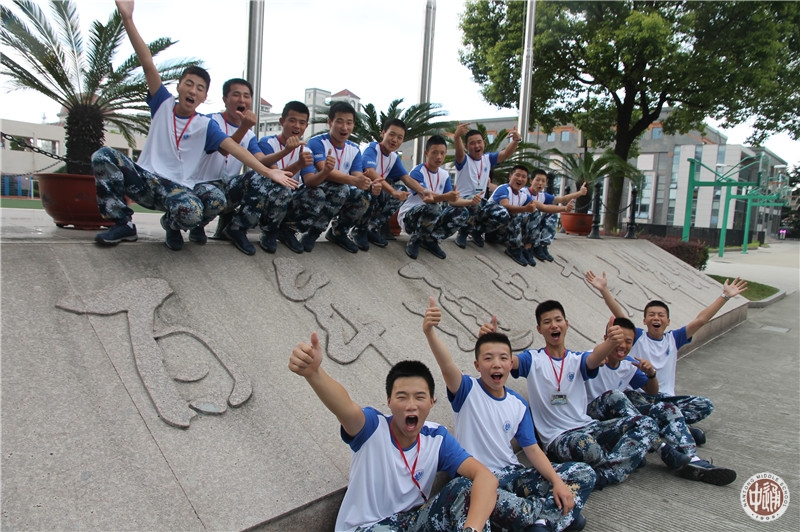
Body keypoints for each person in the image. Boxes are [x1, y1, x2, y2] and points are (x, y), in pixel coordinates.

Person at [93, 1, 295, 251]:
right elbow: (147, 63)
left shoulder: (204, 124)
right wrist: (128, 20)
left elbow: (234, 147)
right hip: (146, 179)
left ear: (204, 96)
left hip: (177, 188)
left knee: (195, 211)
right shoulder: (162, 104)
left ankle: (172, 224)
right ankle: (122, 223)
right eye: (188, 84)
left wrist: (268, 172)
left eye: (199, 88)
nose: (193, 91)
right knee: (103, 155)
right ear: (179, 86)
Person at [289, 332, 498, 532]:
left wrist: (472, 529)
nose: (411, 405)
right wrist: (315, 374)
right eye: (402, 397)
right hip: (365, 528)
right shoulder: (371, 428)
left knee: (465, 489)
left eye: (419, 397)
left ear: (431, 402)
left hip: (410, 523)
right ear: (389, 401)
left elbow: (485, 477)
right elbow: (345, 407)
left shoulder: (437, 438)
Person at [424, 298, 595, 532]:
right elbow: (446, 366)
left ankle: (543, 522)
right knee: (504, 505)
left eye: (503, 358)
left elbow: (533, 450)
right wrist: (430, 332)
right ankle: (551, 518)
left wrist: (557, 482)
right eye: (488, 358)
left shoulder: (518, 404)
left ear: (510, 363)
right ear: (477, 365)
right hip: (482, 481)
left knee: (583, 473)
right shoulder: (466, 390)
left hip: (514, 474)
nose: (497, 364)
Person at [480, 301, 659, 490]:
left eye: (558, 320)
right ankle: (620, 460)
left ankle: (606, 473)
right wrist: (492, 346)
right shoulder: (533, 359)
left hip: (588, 427)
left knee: (646, 424)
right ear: (539, 329)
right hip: (559, 438)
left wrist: (611, 343)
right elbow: (509, 361)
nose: (554, 325)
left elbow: (594, 359)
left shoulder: (577, 359)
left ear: (566, 324)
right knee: (589, 447)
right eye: (547, 322)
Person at [584, 271, 748, 463]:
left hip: (664, 398)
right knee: (638, 403)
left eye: (661, 315)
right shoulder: (636, 337)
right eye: (651, 315)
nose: (656, 318)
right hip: (638, 397)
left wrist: (725, 296)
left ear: (668, 321)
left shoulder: (674, 339)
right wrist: (604, 290)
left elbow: (701, 320)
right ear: (644, 321)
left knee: (704, 405)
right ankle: (674, 430)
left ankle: (673, 428)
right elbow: (620, 316)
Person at [584, 317, 737, 486]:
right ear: (607, 339)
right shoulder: (590, 359)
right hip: (591, 419)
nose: (623, 346)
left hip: (619, 420)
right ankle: (662, 447)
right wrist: (596, 357)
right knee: (614, 395)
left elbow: (653, 392)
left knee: (665, 408)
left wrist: (651, 374)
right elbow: (578, 361)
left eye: (628, 342)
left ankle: (692, 458)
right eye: (618, 340)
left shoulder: (629, 364)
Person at [193, 78, 295, 255]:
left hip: (228, 186)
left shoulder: (249, 134)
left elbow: (261, 160)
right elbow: (224, 149)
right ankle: (197, 225)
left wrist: (285, 152)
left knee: (264, 177)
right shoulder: (210, 121)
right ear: (225, 99)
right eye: (236, 95)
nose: (242, 100)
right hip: (202, 185)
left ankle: (238, 227)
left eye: (246, 96)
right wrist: (244, 127)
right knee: (215, 197)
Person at [281, 101, 379, 253]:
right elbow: (324, 169)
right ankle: (309, 232)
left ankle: (339, 232)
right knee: (340, 189)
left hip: (340, 193)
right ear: (330, 122)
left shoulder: (354, 149)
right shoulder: (317, 142)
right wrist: (354, 180)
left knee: (363, 195)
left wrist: (368, 183)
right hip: (315, 191)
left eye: (349, 123)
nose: (344, 127)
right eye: (339, 121)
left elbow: (357, 176)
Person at [398, 135, 477, 260]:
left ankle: (431, 239)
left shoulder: (444, 175)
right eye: (434, 152)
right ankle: (415, 240)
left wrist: (470, 201)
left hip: (432, 218)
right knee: (433, 207)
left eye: (442, 153)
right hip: (410, 218)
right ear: (426, 153)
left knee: (462, 212)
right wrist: (446, 196)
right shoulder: (417, 172)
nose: (439, 157)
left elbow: (453, 200)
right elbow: (427, 197)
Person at [256, 101, 317, 253]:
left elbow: (309, 180)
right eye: (292, 120)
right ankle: (269, 231)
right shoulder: (267, 143)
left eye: (302, 123)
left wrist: (326, 171)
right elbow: (276, 176)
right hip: (268, 198)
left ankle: (288, 230)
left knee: (317, 194)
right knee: (281, 189)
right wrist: (298, 163)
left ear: (306, 126)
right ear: (282, 121)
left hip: (290, 197)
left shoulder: (306, 150)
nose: (297, 126)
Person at [486, 165, 575, 267]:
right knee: (514, 214)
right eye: (517, 175)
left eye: (523, 177)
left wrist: (565, 208)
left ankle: (530, 248)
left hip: (508, 233)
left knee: (535, 212)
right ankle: (514, 249)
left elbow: (544, 207)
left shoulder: (523, 195)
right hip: (492, 231)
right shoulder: (504, 189)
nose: (520, 179)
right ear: (510, 176)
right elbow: (506, 206)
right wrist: (525, 209)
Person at [353, 118, 418, 251]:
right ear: (383, 133)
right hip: (360, 192)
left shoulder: (394, 157)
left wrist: (424, 192)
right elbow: (370, 172)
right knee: (374, 189)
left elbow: (406, 178)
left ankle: (371, 228)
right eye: (392, 134)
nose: (395, 140)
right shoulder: (372, 148)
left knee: (401, 189)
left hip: (377, 191)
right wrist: (392, 191)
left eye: (399, 137)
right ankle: (358, 229)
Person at [452, 123, 521, 249]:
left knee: (502, 213)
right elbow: (459, 151)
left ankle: (477, 231)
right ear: (466, 146)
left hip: (480, 203)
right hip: (462, 204)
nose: (476, 146)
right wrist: (457, 137)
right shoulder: (463, 159)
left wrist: (516, 141)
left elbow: (505, 153)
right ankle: (463, 232)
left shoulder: (487, 159)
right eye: (472, 143)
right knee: (475, 202)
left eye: (479, 142)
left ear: (484, 143)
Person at [527, 169, 588, 262]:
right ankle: (530, 246)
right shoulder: (524, 192)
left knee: (552, 215)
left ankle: (542, 246)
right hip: (523, 224)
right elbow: (543, 207)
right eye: (537, 180)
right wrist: (564, 208)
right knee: (536, 212)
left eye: (543, 181)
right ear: (531, 181)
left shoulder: (542, 195)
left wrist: (580, 193)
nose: (540, 183)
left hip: (534, 225)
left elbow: (562, 199)